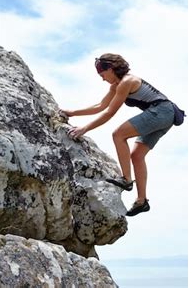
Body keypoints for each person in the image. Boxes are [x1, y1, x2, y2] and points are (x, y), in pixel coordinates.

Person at [61, 53, 176, 217]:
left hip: (161, 111)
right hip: (167, 115)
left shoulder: (126, 82)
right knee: (136, 156)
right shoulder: (116, 86)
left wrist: (84, 129)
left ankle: (127, 179)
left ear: (111, 68)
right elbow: (101, 106)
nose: (102, 79)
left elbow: (109, 113)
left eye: (102, 74)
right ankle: (141, 201)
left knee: (118, 135)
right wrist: (72, 112)